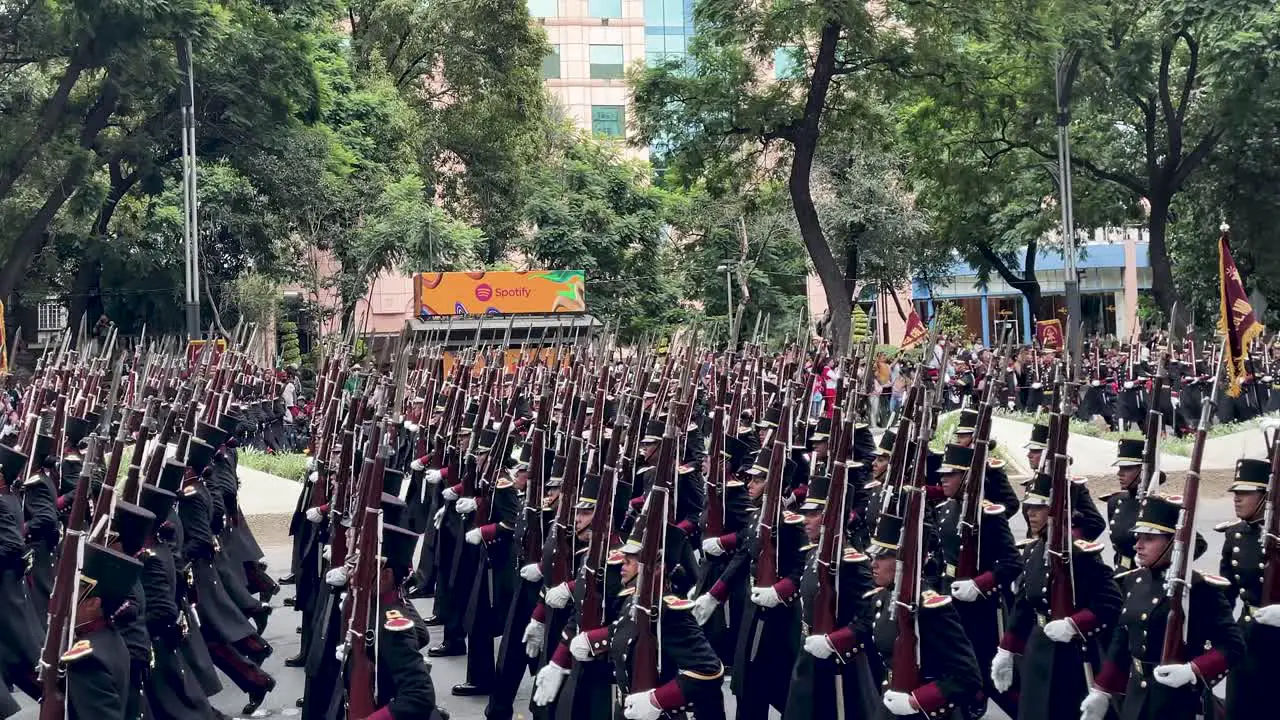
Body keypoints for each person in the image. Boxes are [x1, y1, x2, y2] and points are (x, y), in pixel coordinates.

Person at [1080, 494, 1244, 720]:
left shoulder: (1198, 588)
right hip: (1136, 696)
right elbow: (1122, 640)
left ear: (1172, 543)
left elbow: (1233, 645)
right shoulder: (1132, 581)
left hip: (1178, 702)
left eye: (1149, 538)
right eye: (1138, 537)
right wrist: (1102, 690)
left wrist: (1193, 670)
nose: (1138, 545)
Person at [993, 471, 1122, 720]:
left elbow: (1110, 601)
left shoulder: (1078, 554)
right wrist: (1007, 650)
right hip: (1037, 650)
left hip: (1071, 656)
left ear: (1057, 511)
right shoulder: (1033, 550)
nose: (1029, 513)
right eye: (1028, 507)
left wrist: (1075, 624)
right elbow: (1023, 604)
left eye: (1038, 508)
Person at [932, 442, 1023, 716]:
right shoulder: (946, 510)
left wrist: (979, 585)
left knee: (995, 678)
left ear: (967, 477)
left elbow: (1012, 562)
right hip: (950, 603)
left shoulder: (988, 514)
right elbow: (940, 559)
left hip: (981, 609)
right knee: (959, 674)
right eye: (942, 475)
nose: (942, 479)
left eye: (950, 475)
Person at [865, 512, 984, 720]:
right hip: (891, 704)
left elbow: (967, 676)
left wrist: (915, 701)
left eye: (882, 557)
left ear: (904, 560)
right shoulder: (882, 597)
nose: (873, 564)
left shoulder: (930, 607)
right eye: (874, 557)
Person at [1215, 457, 1278, 718]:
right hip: (1247, 635)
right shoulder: (1235, 535)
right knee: (1239, 708)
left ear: (1267, 496)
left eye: (1245, 493)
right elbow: (1225, 595)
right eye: (1235, 493)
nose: (1236, 499)